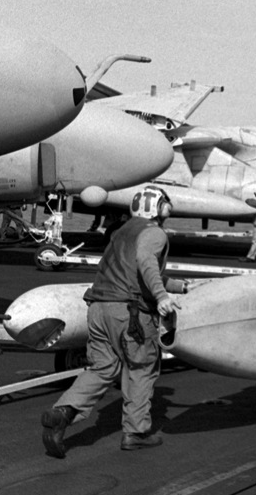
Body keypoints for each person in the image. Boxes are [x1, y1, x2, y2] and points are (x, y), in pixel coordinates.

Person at [40, 186, 189, 459]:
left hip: (98, 308)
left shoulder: (122, 232)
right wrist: (161, 296)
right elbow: (146, 263)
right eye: (166, 202)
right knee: (141, 367)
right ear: (157, 207)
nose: (170, 206)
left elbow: (134, 270)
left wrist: (177, 285)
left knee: (102, 368)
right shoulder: (153, 233)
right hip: (129, 313)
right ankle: (135, 433)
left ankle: (63, 412)